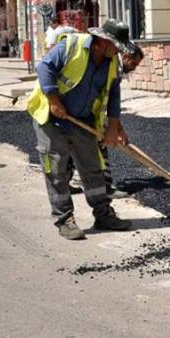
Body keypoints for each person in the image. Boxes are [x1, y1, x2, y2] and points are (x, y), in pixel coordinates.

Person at [25, 19, 133, 240]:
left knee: (92, 168)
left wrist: (114, 126)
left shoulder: (111, 61)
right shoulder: (72, 46)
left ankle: (103, 214)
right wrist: (54, 100)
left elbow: (113, 93)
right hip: (51, 117)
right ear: (103, 42)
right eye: (117, 45)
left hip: (83, 120)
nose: (120, 50)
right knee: (57, 170)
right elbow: (44, 66)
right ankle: (64, 219)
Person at [67, 41, 145, 199]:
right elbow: (108, 100)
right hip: (88, 112)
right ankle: (106, 187)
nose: (135, 68)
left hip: (88, 111)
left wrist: (118, 128)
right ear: (125, 56)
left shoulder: (115, 68)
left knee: (73, 147)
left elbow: (111, 101)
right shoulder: (112, 66)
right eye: (134, 63)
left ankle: (66, 182)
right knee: (101, 147)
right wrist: (113, 128)